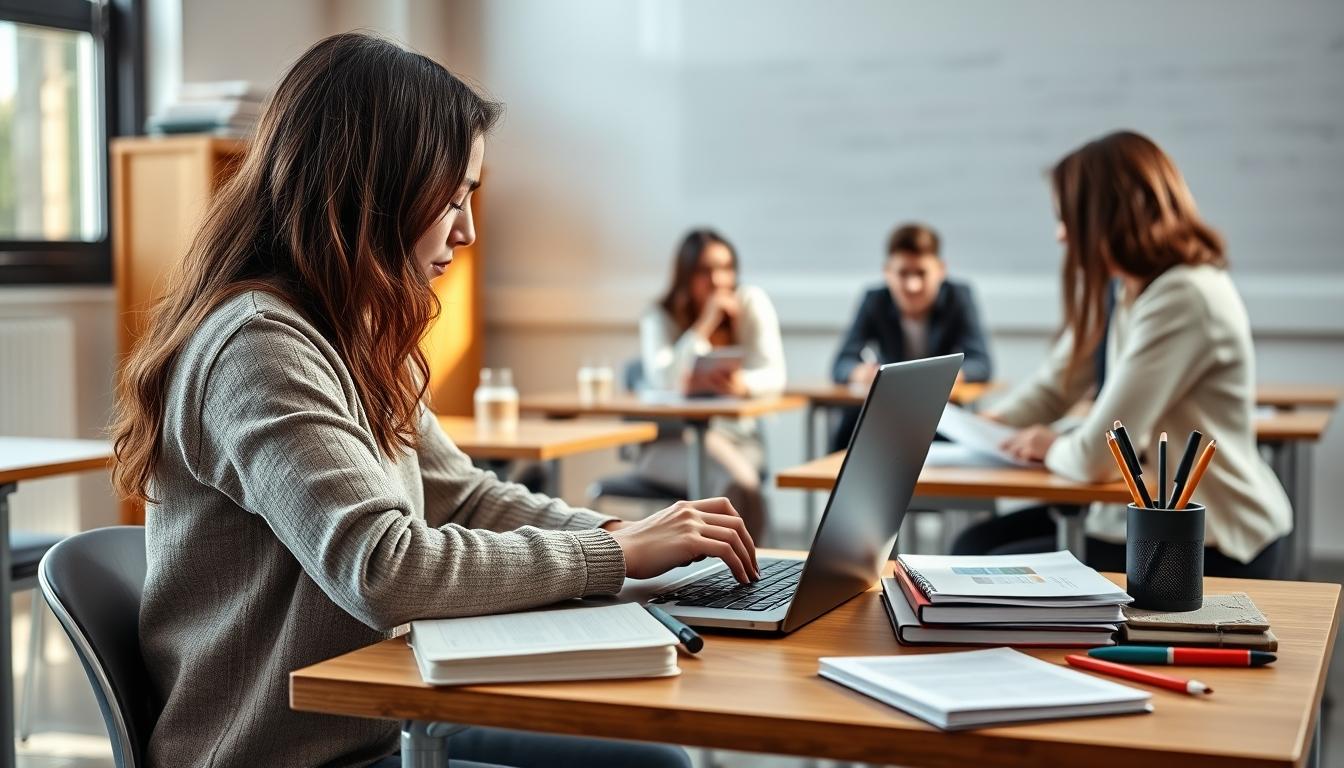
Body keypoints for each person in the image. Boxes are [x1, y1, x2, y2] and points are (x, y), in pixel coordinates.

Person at [110, 33, 758, 768]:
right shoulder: (258, 347)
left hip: (377, 719)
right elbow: (384, 569)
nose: (469, 229)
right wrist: (611, 554)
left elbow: (465, 499)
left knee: (651, 760)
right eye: (452, 200)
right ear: (370, 194)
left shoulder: (351, 333)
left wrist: (623, 533)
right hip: (290, 753)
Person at [953, 130, 1292, 579]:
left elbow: (1099, 455)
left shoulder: (1184, 297)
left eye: (1068, 219)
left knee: (983, 565)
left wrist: (1049, 444)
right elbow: (1057, 385)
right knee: (972, 547)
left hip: (1211, 534)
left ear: (1107, 218)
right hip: (1146, 516)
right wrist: (986, 429)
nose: (1060, 236)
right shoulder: (1129, 288)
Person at [635, 229, 786, 541]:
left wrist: (742, 385)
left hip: (737, 439)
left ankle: (749, 564)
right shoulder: (659, 317)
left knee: (738, 485)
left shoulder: (749, 302)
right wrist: (705, 324)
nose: (718, 280)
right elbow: (665, 379)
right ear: (685, 275)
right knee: (736, 485)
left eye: (726, 268)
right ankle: (727, 564)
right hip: (669, 443)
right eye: (705, 271)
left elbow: (775, 374)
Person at [828, 223, 992, 451]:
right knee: (852, 421)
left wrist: (947, 376)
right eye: (903, 273)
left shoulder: (958, 298)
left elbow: (981, 364)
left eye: (922, 273)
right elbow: (842, 364)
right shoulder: (875, 300)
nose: (912, 285)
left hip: (938, 410)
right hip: (887, 408)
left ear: (941, 270)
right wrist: (863, 373)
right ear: (887, 272)